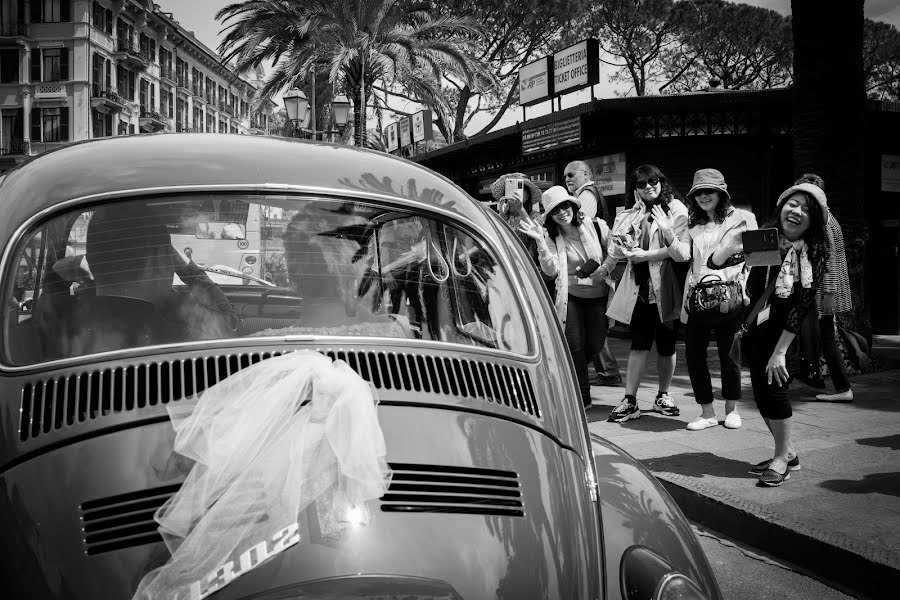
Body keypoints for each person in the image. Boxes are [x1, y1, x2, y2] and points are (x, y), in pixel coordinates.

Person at [709, 182, 830, 486]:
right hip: (757, 322)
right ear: (782, 206)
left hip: (785, 329)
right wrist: (735, 240)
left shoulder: (813, 249)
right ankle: (788, 453)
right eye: (793, 203)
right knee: (762, 392)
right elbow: (717, 263)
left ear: (813, 218)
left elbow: (803, 304)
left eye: (805, 208)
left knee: (775, 390)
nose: (796, 211)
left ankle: (781, 460)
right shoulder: (767, 236)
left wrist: (780, 351)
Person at [658, 168, 758, 431]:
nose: (703, 196)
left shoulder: (744, 218)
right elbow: (682, 256)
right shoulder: (693, 223)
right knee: (693, 355)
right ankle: (706, 412)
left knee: (730, 355)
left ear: (721, 193)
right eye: (698, 192)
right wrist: (668, 234)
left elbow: (760, 257)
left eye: (709, 191)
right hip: (698, 298)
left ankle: (732, 409)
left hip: (732, 296)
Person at [603, 165, 689, 423]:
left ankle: (663, 394)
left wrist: (649, 251)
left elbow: (682, 252)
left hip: (667, 287)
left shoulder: (677, 210)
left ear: (661, 181)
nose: (649, 187)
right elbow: (617, 251)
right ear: (635, 188)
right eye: (642, 184)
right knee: (639, 342)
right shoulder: (631, 212)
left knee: (666, 344)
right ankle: (630, 399)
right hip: (639, 289)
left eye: (653, 181)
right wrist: (632, 220)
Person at [519, 186, 611, 409]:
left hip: (598, 295)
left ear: (573, 205)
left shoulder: (596, 226)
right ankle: (583, 395)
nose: (562, 212)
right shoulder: (551, 236)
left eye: (565, 205)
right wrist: (540, 244)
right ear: (550, 216)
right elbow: (550, 271)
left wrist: (606, 269)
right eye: (555, 210)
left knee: (596, 344)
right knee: (575, 346)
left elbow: (614, 252)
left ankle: (568, 370)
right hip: (570, 298)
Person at [793, 174, 855, 402]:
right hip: (824, 288)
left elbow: (829, 258)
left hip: (823, 289)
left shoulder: (822, 219)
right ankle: (830, 382)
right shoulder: (825, 217)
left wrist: (829, 293)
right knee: (825, 336)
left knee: (827, 337)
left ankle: (842, 388)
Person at [564, 159, 622, 386]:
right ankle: (605, 371)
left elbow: (579, 225)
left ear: (586, 174)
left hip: (589, 270)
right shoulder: (586, 192)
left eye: (571, 174)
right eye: (565, 176)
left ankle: (605, 371)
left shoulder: (586, 195)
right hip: (591, 269)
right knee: (592, 326)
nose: (567, 179)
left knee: (590, 327)